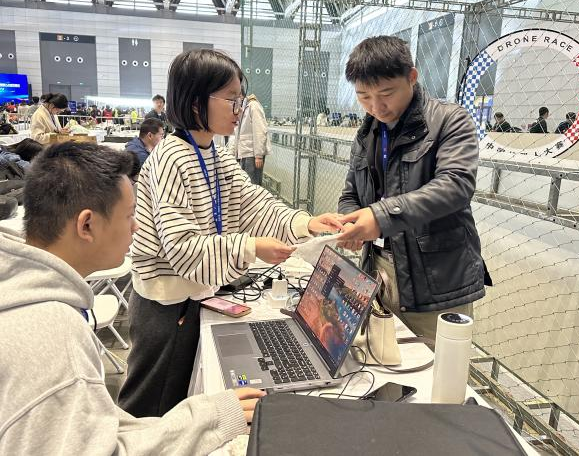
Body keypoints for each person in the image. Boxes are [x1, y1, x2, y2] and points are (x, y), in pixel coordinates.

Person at [117, 49, 343, 418]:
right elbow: (183, 249)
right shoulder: (172, 157)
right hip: (166, 305)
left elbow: (255, 204)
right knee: (151, 406)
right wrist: (251, 246)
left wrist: (307, 223)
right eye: (232, 99)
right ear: (196, 102)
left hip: (191, 295)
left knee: (179, 400)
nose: (240, 109)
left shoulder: (216, 154)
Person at [0, 141, 264, 455]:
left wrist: (209, 414)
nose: (137, 226)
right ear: (87, 225)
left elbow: (94, 429)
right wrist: (214, 417)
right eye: (129, 216)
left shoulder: (27, 293)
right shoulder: (52, 337)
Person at [337, 36, 487, 341]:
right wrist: (350, 221)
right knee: (380, 357)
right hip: (377, 270)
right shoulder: (367, 132)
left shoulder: (449, 120)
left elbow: (455, 185)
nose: (376, 107)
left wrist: (379, 217)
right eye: (364, 97)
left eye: (386, 93)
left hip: (434, 280)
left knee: (436, 362)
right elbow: (351, 192)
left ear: (412, 77)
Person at [231, 94, 271, 185]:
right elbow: (238, 133)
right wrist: (234, 152)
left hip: (252, 154)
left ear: (240, 95)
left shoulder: (253, 106)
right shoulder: (243, 107)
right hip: (245, 152)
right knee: (245, 183)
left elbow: (260, 130)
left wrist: (258, 155)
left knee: (252, 184)